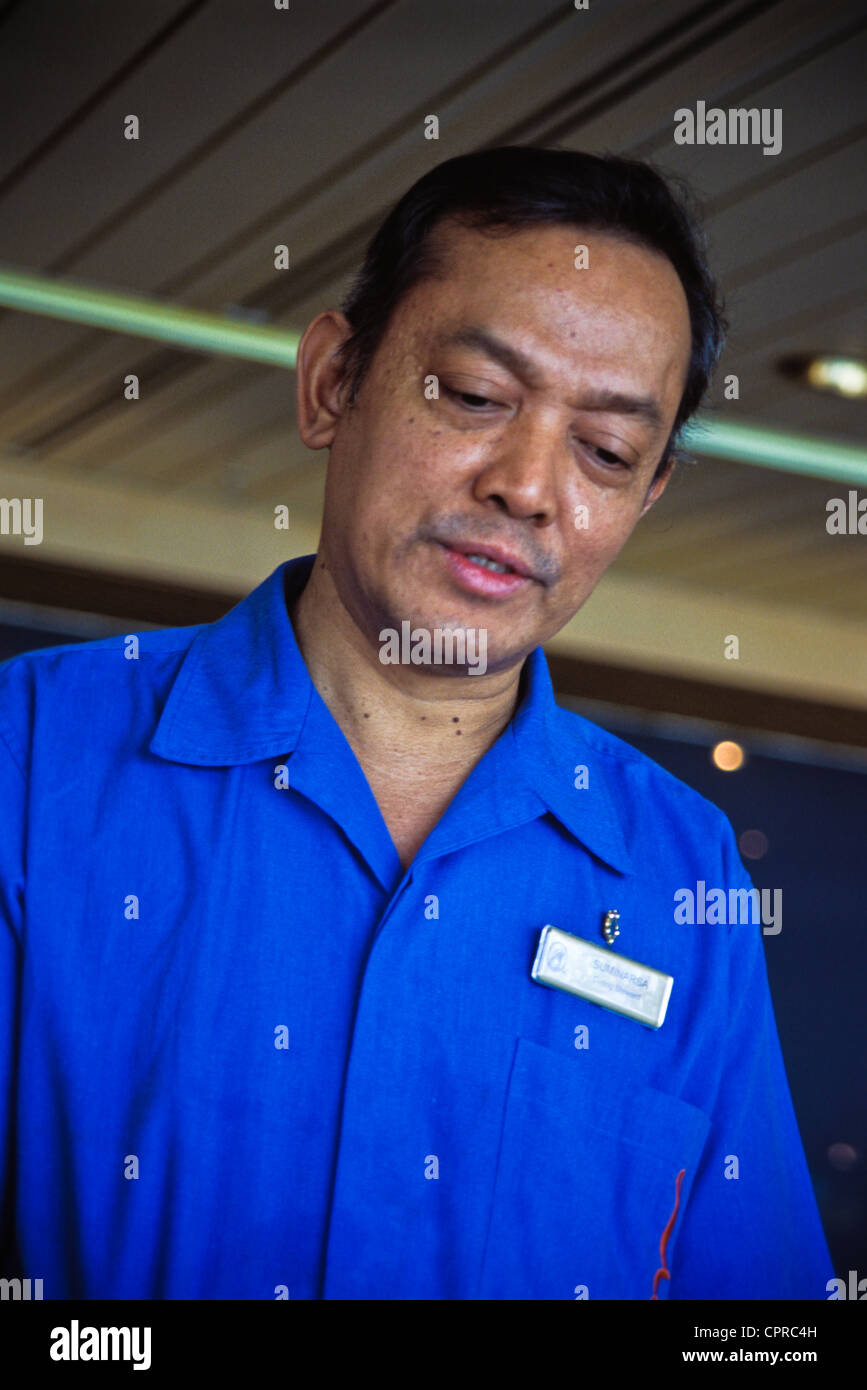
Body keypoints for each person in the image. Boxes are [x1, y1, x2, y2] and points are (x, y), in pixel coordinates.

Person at [0, 147, 833, 1300]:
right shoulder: (31, 759)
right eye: (478, 396)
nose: (529, 486)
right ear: (334, 381)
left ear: (646, 499)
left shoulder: (680, 871)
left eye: (605, 451)